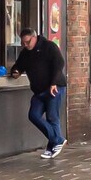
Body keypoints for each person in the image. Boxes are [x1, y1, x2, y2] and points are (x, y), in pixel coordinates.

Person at [10, 26, 69, 159]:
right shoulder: (25, 53)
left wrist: (53, 82)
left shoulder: (49, 47)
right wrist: (15, 72)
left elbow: (59, 64)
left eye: (28, 42)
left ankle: (51, 146)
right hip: (39, 91)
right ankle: (57, 140)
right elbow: (18, 65)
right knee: (33, 115)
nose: (25, 45)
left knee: (52, 117)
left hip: (54, 87)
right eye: (23, 43)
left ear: (34, 37)